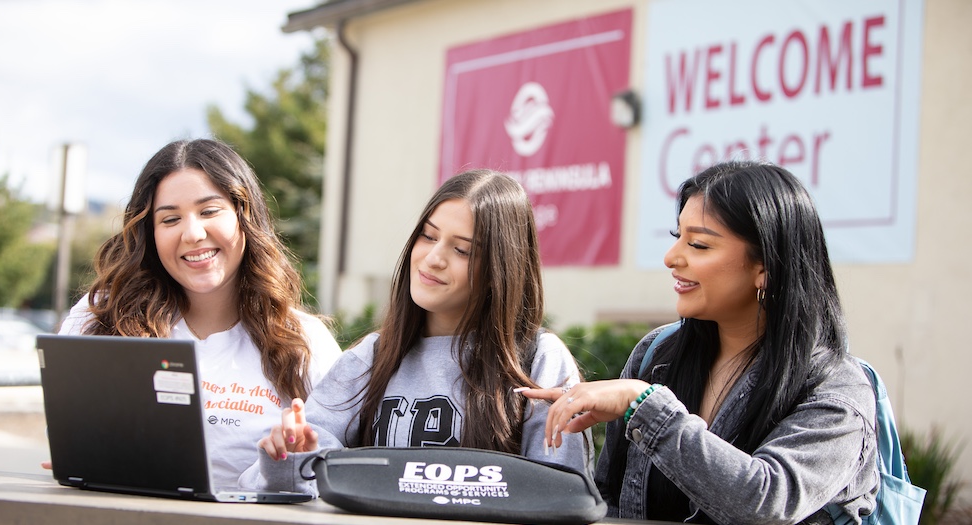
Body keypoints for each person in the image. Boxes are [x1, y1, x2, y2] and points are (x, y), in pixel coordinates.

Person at [522, 160, 879, 524]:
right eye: (677, 237)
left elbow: (766, 501)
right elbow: (610, 497)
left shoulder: (835, 390)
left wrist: (643, 404)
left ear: (765, 267)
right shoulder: (655, 355)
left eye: (698, 244)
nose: (672, 258)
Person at [241, 169, 591, 493]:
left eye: (462, 250)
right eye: (428, 236)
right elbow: (291, 470)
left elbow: (560, 492)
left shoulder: (539, 361)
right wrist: (291, 455)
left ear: (501, 271)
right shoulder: (373, 357)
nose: (433, 258)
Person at [56, 138, 342, 489]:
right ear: (151, 233)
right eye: (170, 219)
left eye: (209, 211)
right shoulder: (100, 315)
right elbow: (67, 441)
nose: (192, 233)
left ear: (244, 216)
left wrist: (291, 464)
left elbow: (334, 476)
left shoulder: (307, 341)